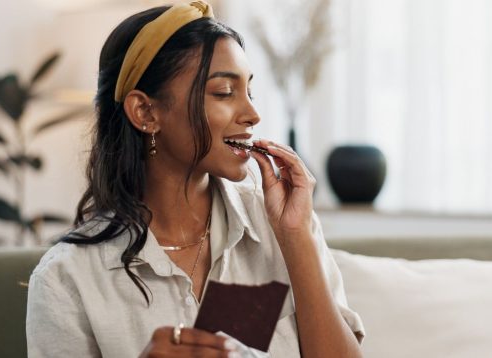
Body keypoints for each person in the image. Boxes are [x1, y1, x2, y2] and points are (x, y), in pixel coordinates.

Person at [26, 2, 364, 357]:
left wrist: (297, 238)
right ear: (145, 111)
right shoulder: (66, 277)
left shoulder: (283, 224)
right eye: (224, 92)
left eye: (249, 92)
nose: (253, 114)